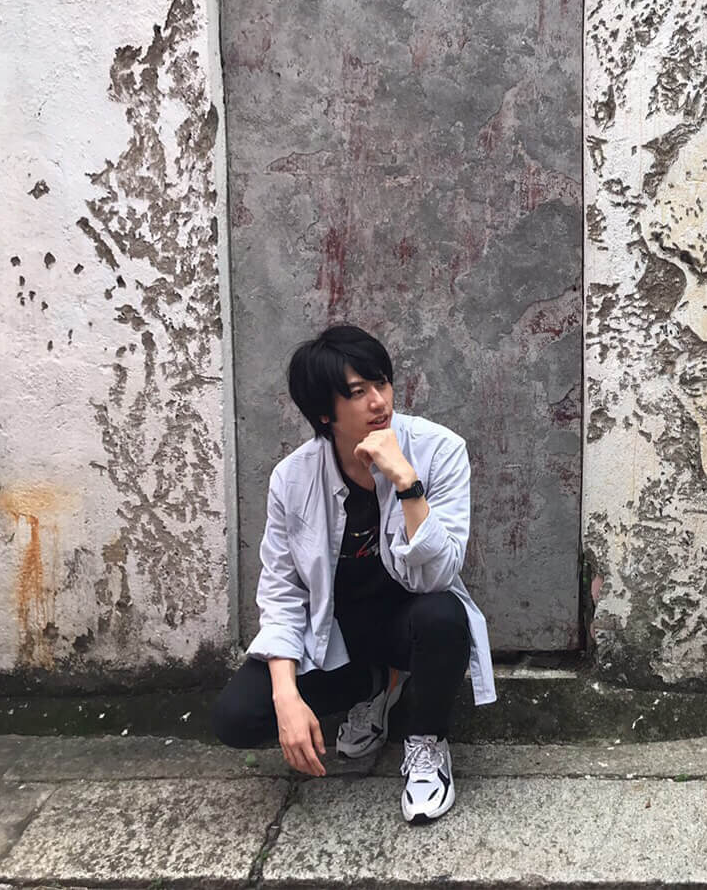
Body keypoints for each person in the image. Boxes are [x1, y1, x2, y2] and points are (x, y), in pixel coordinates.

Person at [212, 324, 495, 823]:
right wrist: (286, 697)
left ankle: (425, 741)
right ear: (325, 412)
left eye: (381, 383)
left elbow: (437, 575)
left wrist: (406, 483)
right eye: (357, 392)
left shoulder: (439, 449)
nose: (379, 401)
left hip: (409, 623)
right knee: (238, 718)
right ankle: (374, 686)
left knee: (443, 616)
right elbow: (281, 593)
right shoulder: (292, 478)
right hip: (336, 635)